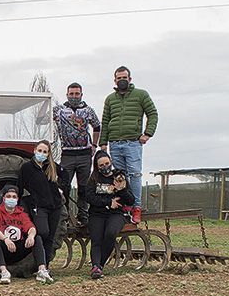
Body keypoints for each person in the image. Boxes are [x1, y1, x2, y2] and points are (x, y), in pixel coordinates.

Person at [100, 66, 158, 223]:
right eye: (119, 78)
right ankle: (125, 206)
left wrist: (148, 134)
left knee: (134, 174)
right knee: (120, 176)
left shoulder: (141, 95)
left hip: (133, 143)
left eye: (124, 77)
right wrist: (103, 142)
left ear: (130, 79)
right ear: (115, 80)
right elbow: (105, 121)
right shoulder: (110, 99)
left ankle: (136, 207)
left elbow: (152, 113)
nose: (122, 80)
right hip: (115, 143)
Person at [53, 82, 101, 227]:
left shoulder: (88, 110)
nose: (74, 96)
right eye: (71, 94)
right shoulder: (59, 110)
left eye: (77, 94)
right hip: (67, 153)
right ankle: (65, 215)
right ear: (67, 94)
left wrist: (94, 145)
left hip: (84, 154)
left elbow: (97, 126)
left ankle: (83, 215)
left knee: (84, 186)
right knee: (64, 185)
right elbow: (42, 119)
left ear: (81, 95)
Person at [84, 150, 135, 280]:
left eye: (107, 163)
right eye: (101, 165)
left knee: (110, 233)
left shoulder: (119, 176)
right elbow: (89, 196)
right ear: (97, 166)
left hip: (116, 214)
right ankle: (96, 266)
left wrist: (121, 189)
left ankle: (99, 265)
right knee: (96, 238)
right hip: (97, 213)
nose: (105, 167)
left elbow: (130, 200)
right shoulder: (93, 179)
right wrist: (108, 202)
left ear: (111, 162)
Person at [0, 185, 52, 284]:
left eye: (14, 197)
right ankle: (4, 272)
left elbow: (30, 227)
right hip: (4, 248)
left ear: (17, 199)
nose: (11, 199)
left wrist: (31, 236)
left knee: (37, 238)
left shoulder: (21, 214)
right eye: (8, 196)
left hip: (18, 248)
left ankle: (42, 270)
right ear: (3, 198)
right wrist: (5, 239)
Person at [18, 139, 62, 276]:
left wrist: (62, 191)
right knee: (42, 232)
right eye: (40, 151)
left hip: (55, 207)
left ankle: (45, 268)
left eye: (45, 152)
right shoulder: (27, 168)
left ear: (48, 154)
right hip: (39, 207)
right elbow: (20, 186)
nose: (42, 154)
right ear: (34, 150)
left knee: (50, 237)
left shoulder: (52, 167)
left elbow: (65, 178)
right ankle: (39, 264)